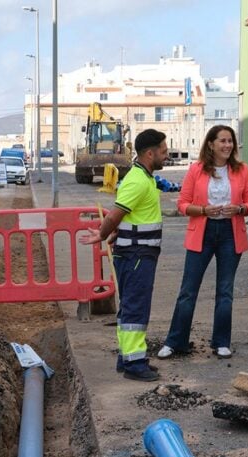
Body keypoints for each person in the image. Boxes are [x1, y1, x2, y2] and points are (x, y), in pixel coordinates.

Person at [158, 124, 248, 360]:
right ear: (211, 144)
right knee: (188, 290)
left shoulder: (242, 170)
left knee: (225, 291)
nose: (227, 145)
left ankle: (222, 342)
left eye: (230, 141)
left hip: (230, 232)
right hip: (202, 230)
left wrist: (240, 208)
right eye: (222, 141)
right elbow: (182, 204)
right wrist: (203, 209)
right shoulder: (196, 169)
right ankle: (175, 341)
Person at [80, 128, 170, 382]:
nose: (167, 156)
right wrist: (102, 233)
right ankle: (134, 364)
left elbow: (130, 217)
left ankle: (128, 357)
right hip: (136, 254)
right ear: (150, 153)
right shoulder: (138, 181)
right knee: (135, 309)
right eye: (163, 152)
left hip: (138, 252)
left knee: (131, 307)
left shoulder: (145, 178)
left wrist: (115, 233)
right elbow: (116, 214)